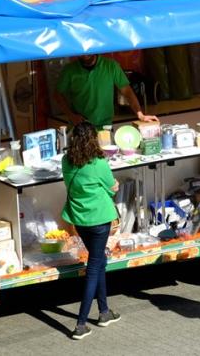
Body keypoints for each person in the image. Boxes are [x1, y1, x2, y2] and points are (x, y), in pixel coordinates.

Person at [62, 122, 121, 339]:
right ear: (93, 139)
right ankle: (80, 324)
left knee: (99, 262)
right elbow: (111, 186)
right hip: (99, 220)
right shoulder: (99, 162)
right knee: (94, 267)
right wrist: (114, 185)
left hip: (79, 219)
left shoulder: (66, 161)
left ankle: (104, 312)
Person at [56, 54, 158, 128]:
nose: (85, 54)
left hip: (104, 126)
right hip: (80, 126)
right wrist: (71, 115)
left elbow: (127, 92)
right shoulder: (69, 70)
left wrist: (140, 114)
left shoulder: (110, 66)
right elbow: (58, 94)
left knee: (104, 156)